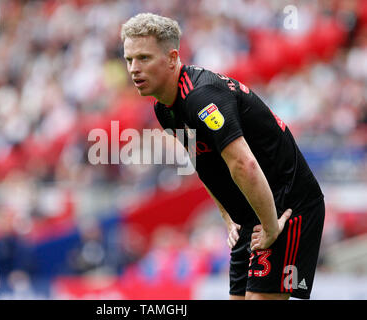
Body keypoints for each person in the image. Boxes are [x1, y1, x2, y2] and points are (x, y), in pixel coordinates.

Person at [120, 13, 325, 300]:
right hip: (251, 213)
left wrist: (269, 226)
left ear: (171, 57)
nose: (133, 69)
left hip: (285, 204)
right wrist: (229, 218)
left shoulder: (202, 97)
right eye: (129, 60)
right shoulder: (164, 108)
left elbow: (244, 163)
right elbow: (205, 164)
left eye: (143, 58)